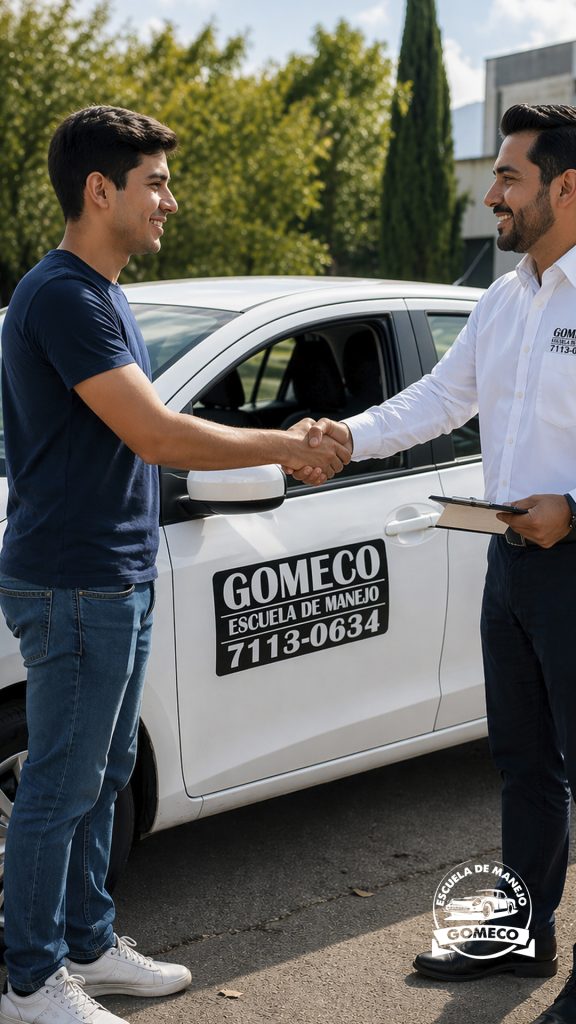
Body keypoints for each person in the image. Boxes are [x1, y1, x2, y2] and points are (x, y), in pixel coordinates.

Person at [0, 105, 350, 1024]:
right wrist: (286, 446)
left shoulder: (104, 291)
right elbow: (155, 434)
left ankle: (89, 943)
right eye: (154, 182)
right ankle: (27, 981)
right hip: (74, 581)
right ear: (98, 189)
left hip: (115, 573)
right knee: (61, 783)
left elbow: (138, 440)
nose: (171, 200)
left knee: (105, 770)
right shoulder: (64, 298)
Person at [299, 103, 576, 1024]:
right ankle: (520, 938)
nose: (490, 193)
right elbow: (434, 400)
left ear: (566, 188)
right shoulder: (503, 301)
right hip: (511, 564)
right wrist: (345, 434)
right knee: (523, 762)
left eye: (509, 178)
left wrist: (574, 511)